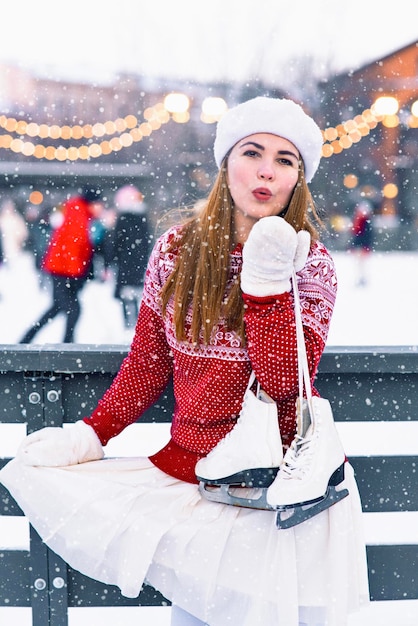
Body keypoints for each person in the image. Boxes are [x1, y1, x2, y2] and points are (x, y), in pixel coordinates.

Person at [0, 97, 369, 626]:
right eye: (253, 151)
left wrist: (265, 285)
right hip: (192, 487)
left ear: (298, 180)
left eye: (286, 160)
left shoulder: (310, 262)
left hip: (280, 494)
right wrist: (91, 434)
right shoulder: (177, 250)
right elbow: (148, 363)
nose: (267, 169)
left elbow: (284, 381)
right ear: (226, 164)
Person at [19, 188, 100, 343]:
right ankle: (66, 347)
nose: (101, 207)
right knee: (74, 310)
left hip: (62, 270)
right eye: (98, 203)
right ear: (91, 203)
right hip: (63, 271)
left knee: (58, 308)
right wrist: (77, 274)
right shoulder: (79, 215)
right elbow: (74, 247)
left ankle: (26, 340)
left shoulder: (80, 213)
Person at [110, 184, 150, 328]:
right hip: (139, 262)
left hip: (125, 263)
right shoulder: (143, 217)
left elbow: (117, 243)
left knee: (125, 293)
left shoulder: (123, 219)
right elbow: (146, 242)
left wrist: (112, 259)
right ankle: (138, 322)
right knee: (136, 292)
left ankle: (128, 322)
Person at [350, 198, 374, 286]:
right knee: (360, 264)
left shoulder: (364, 221)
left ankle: (362, 279)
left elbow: (365, 235)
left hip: (361, 246)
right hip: (360, 246)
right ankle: (361, 278)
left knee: (362, 264)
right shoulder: (360, 221)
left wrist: (364, 246)